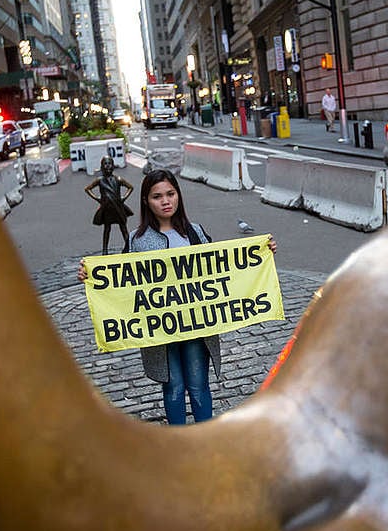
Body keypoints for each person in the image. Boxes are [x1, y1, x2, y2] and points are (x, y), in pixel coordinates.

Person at [79, 168, 276, 424]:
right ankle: (179, 442)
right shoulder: (138, 241)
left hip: (197, 326)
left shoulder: (195, 232)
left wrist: (262, 252)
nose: (165, 201)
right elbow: (120, 285)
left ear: (178, 196)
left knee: (198, 386)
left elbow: (225, 268)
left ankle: (204, 441)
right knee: (173, 388)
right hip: (161, 330)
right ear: (146, 202)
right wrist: (90, 275)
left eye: (170, 194)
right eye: (157, 196)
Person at [84, 156, 134, 254]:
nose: (108, 166)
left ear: (113, 166)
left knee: (123, 228)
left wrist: (124, 197)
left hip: (118, 207)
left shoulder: (118, 179)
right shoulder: (100, 180)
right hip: (107, 209)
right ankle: (105, 249)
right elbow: (87, 189)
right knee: (107, 229)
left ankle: (129, 247)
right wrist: (97, 198)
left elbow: (130, 187)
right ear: (102, 166)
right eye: (105, 164)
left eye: (109, 163)